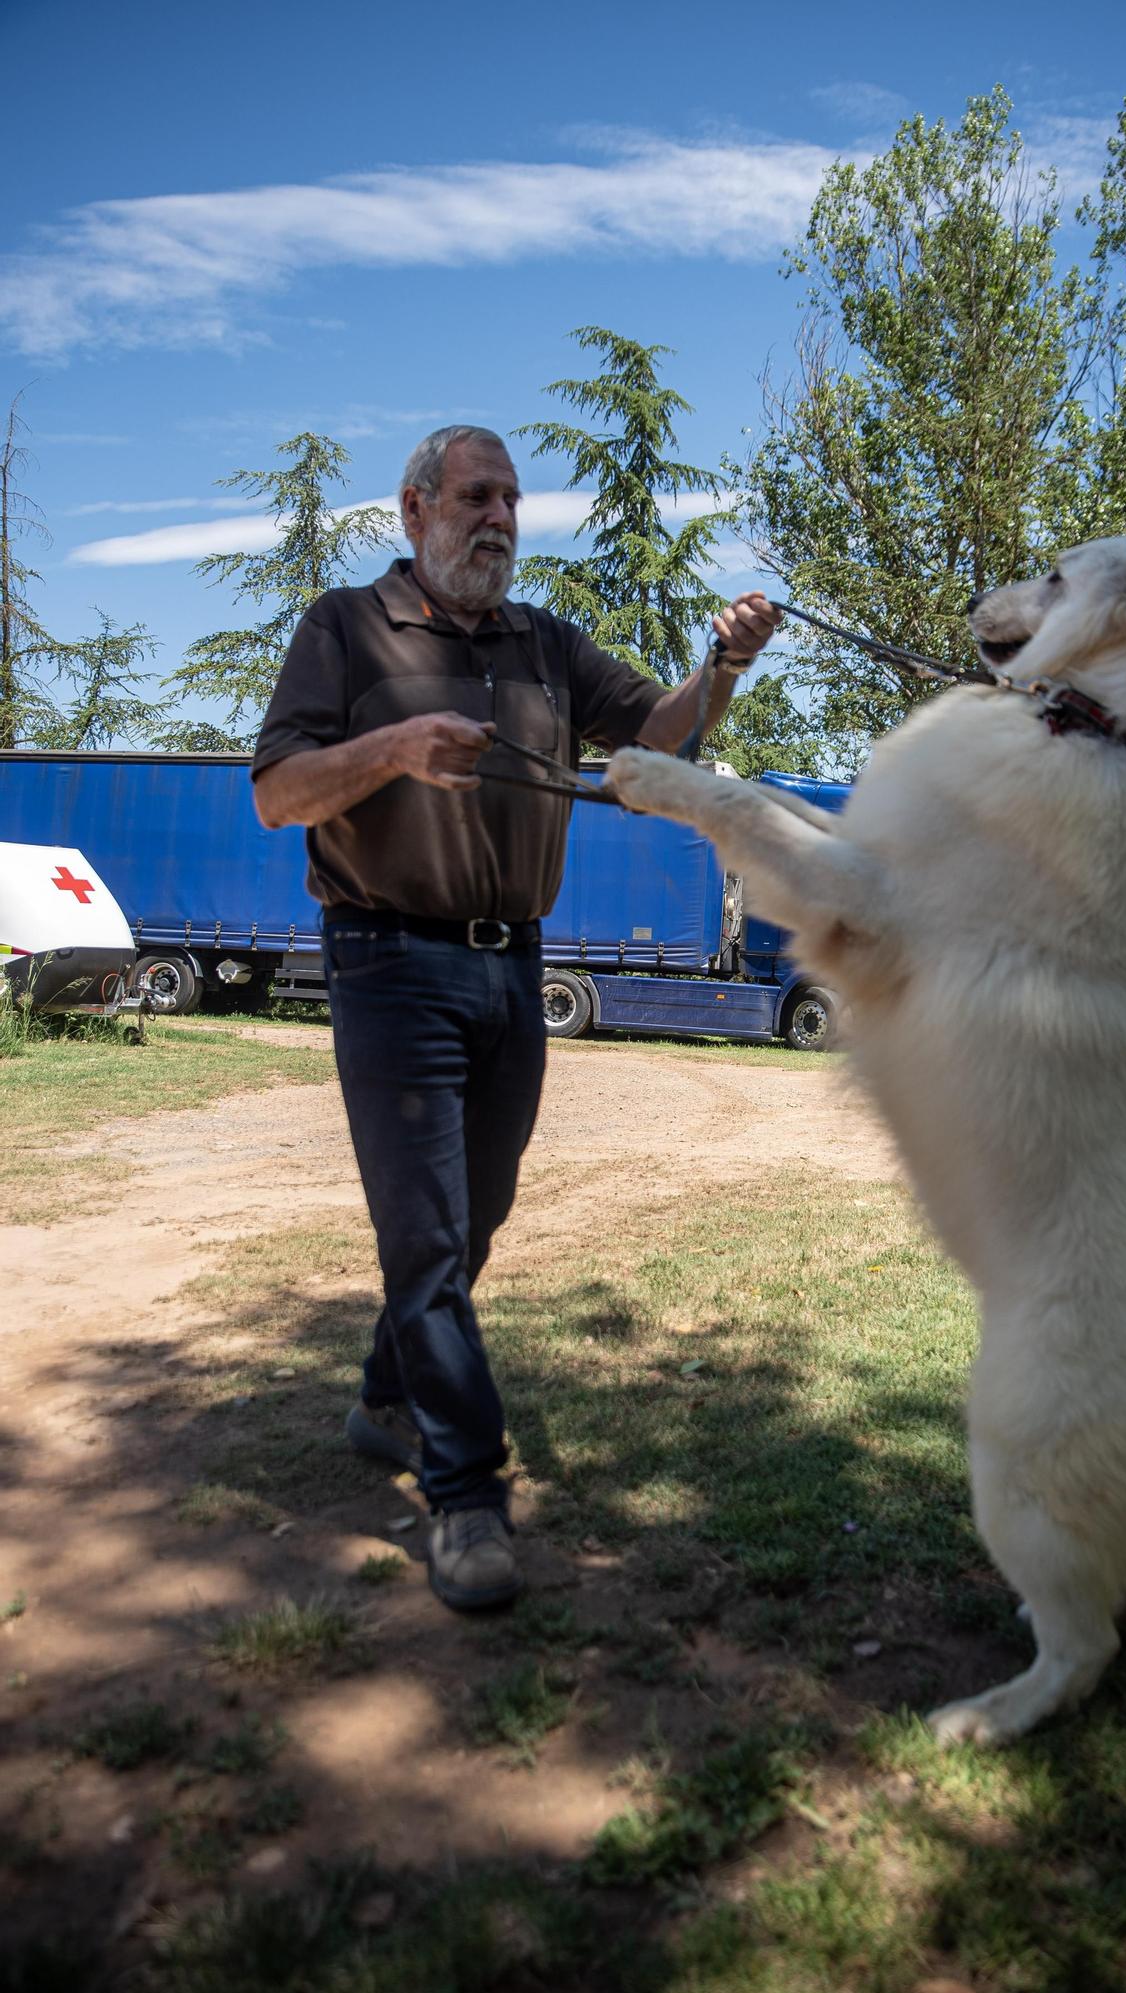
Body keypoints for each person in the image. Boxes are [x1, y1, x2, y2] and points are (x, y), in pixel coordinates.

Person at [251, 423, 778, 1611]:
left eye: (512, 499)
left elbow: (659, 740)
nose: (498, 516)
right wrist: (392, 747)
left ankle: (387, 1395)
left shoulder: (545, 644)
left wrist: (727, 662)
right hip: (388, 959)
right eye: (476, 495)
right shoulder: (345, 627)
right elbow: (280, 793)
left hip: (512, 970)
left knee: (473, 1219)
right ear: (415, 508)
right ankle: (468, 1493)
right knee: (430, 1235)